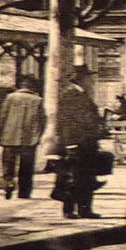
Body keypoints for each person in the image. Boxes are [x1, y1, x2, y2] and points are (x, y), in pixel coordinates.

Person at [52, 65, 107, 220]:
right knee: (73, 178)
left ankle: (85, 209)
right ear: (81, 79)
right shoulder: (70, 95)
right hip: (77, 144)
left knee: (87, 178)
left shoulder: (82, 94)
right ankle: (69, 209)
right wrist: (70, 144)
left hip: (87, 144)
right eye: (88, 77)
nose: (91, 80)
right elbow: (67, 122)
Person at [0, 75, 43, 199]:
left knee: (8, 164)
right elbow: (42, 120)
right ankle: (24, 191)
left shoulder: (10, 98)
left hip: (9, 136)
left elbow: (2, 116)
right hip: (29, 139)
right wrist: (38, 135)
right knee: (26, 167)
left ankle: (9, 183)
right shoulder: (38, 100)